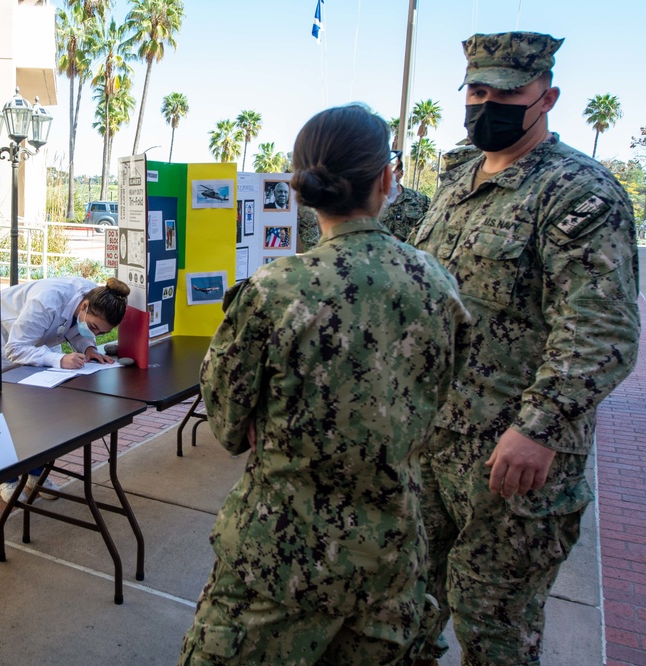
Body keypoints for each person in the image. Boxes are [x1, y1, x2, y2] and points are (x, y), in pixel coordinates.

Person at [180, 104, 471, 665]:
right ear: (386, 179)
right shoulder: (437, 284)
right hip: (389, 567)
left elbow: (226, 423)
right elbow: (442, 400)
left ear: (302, 185)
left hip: (279, 565)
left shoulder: (275, 289)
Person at [410, 32, 640, 665]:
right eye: (478, 91)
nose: (488, 105)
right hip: (434, 442)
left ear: (548, 97)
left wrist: (538, 428)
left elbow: (602, 330)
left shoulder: (577, 194)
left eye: (508, 93)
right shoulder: (457, 179)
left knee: (495, 627)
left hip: (511, 462)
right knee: (409, 604)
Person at [0, 276, 130, 503]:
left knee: (44, 413)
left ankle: (35, 474)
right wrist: (58, 360)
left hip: (40, 343)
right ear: (85, 306)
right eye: (94, 328)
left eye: (102, 333)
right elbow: (16, 348)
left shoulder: (92, 297)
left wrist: (88, 348)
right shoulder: (47, 301)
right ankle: (5, 479)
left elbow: (77, 327)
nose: (96, 334)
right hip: (3, 342)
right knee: (8, 413)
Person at [379, 152, 430, 242]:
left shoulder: (419, 200)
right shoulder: (374, 202)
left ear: (401, 173)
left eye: (393, 171)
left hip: (411, 254)